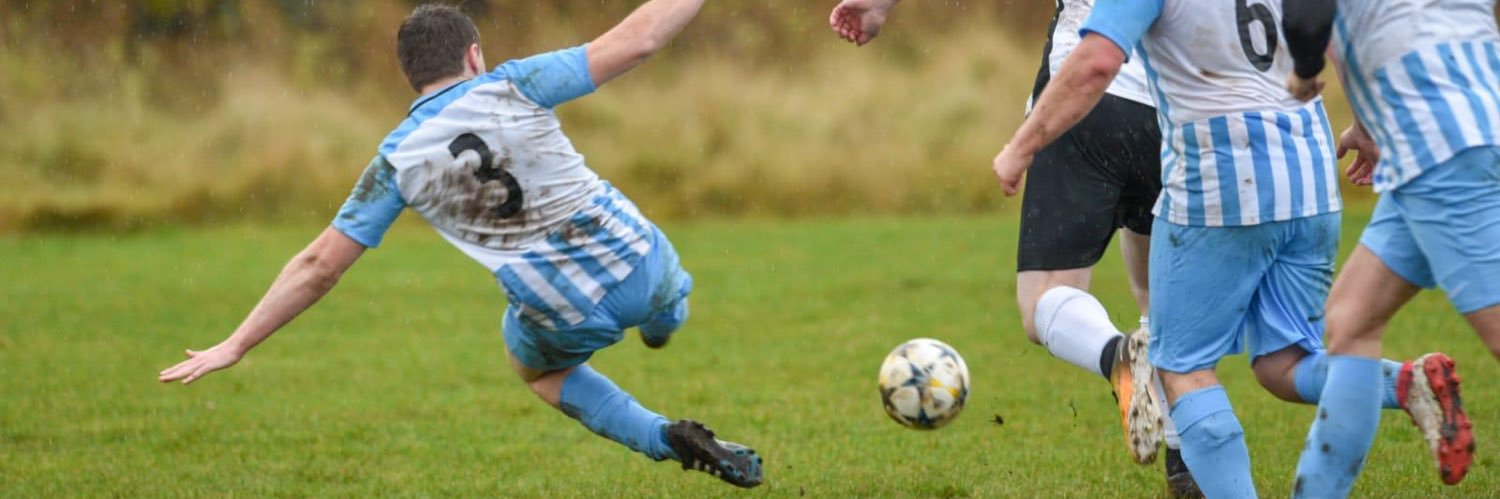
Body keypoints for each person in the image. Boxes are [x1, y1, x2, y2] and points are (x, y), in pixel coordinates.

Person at [156, 2, 763, 489]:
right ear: (473, 54)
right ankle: (663, 317)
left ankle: (665, 437)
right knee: (666, 288)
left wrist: (237, 343)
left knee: (535, 370)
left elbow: (319, 266)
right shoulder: (513, 83)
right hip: (636, 257)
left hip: (562, 312)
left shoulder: (395, 162)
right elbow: (640, 39)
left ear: (411, 76)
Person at [990, 0, 1465, 496]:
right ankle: (1405, 384)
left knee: (1178, 362)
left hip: (1215, 166)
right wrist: (1367, 121)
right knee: (1282, 363)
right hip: (1308, 173)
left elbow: (1098, 60)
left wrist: (1020, 148)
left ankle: (1129, 372)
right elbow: (1332, 25)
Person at [830, 1, 1200, 495]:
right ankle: (1187, 464)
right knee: (1160, 298)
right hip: (1178, 108)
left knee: (1045, 299)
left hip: (1087, 94)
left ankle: (1118, 357)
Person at [1283, 0, 1496, 495]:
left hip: (1437, 144)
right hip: (1469, 119)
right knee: (1351, 319)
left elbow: (1307, 15)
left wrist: (1304, 74)